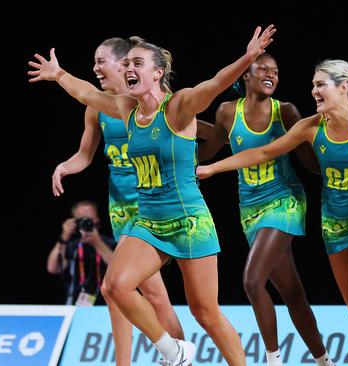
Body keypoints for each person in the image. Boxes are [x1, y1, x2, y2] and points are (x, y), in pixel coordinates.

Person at [29, 25, 277, 366]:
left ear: (158, 72)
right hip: (148, 221)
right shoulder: (128, 109)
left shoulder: (178, 107)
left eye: (138, 64)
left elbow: (216, 83)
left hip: (189, 221)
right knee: (114, 286)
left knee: (205, 313)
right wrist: (58, 74)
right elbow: (87, 94)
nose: (129, 69)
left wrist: (248, 57)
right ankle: (174, 352)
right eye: (127, 63)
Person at [196, 59, 348, 366]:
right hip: (329, 222)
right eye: (313, 85)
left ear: (344, 87)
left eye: (320, 85)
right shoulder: (309, 127)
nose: (312, 91)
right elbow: (262, 151)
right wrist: (211, 167)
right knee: (346, 304)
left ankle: (279, 359)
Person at [50, 37, 184, 366]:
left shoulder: (146, 101)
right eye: (94, 62)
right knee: (140, 294)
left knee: (123, 288)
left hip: (150, 205)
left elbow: (186, 129)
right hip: (119, 208)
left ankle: (176, 355)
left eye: (101, 61)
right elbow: (85, 154)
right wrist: (65, 167)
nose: (95, 68)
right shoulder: (97, 107)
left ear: (123, 64)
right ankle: (154, 358)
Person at [195, 52, 333, 366]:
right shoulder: (228, 112)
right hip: (250, 210)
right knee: (292, 292)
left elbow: (310, 163)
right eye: (263, 69)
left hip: (285, 201)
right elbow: (209, 150)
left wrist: (336, 147)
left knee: (252, 280)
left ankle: (272, 359)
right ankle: (325, 361)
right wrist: (177, 135)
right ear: (246, 75)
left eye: (275, 70)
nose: (271, 74)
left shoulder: (285, 112)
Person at [47, 200, 115, 306]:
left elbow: (118, 268)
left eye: (89, 219)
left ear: (97, 220)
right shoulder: (71, 245)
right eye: (81, 220)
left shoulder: (109, 243)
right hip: (75, 305)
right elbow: (53, 268)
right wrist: (64, 237)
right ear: (74, 222)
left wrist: (98, 244)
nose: (86, 223)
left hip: (106, 306)